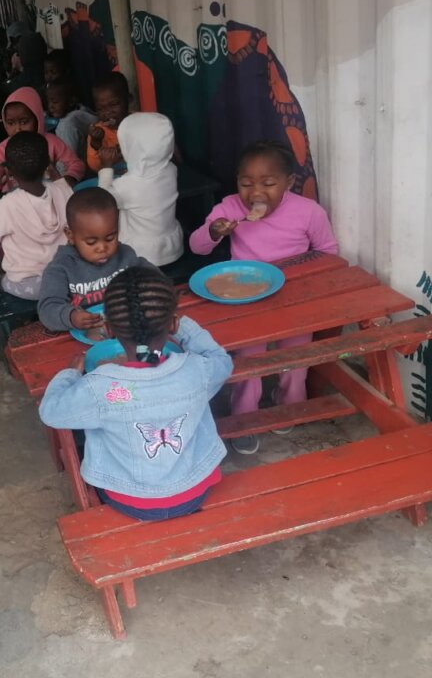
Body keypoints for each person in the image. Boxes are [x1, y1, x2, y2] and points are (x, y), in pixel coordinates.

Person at [39, 267, 232, 520]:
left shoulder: (99, 388)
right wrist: (183, 327)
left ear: (109, 330)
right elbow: (221, 360)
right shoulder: (197, 370)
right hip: (193, 492)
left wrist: (70, 374)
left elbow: (51, 411)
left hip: (131, 500)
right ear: (172, 324)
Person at [189, 141, 339, 455]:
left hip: (294, 299)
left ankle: (288, 404)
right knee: (248, 359)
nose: (255, 192)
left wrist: (307, 284)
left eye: (268, 183)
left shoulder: (308, 212)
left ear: (289, 182)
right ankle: (245, 417)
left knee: (295, 357)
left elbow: (328, 253)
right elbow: (197, 247)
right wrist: (213, 232)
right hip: (245, 299)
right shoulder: (230, 208)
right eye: (246, 184)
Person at [38, 188, 156, 333]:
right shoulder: (61, 268)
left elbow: (154, 278)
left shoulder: (125, 256)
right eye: (91, 242)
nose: (102, 248)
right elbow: (47, 308)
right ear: (70, 235)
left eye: (110, 238)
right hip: (85, 334)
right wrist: (71, 317)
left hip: (126, 328)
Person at [0, 132, 72, 300]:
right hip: (67, 278)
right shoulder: (62, 191)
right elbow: (63, 188)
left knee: (0, 279)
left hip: (32, 287)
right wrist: (54, 172)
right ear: (47, 163)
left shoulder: (8, 205)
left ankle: (0, 282)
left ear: (8, 170)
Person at [99, 113, 184, 267]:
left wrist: (106, 167)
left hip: (139, 254)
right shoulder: (171, 170)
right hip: (171, 248)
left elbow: (102, 201)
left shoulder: (127, 185)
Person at [0, 86, 86, 196]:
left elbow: (77, 164)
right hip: (19, 202)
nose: (17, 129)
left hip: (50, 197)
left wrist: (68, 179)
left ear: (37, 119)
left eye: (24, 122)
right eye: (11, 123)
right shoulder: (3, 150)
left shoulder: (52, 142)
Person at [86, 71, 131, 174]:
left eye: (114, 104)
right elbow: (94, 166)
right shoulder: (97, 133)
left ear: (128, 99)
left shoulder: (139, 123)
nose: (107, 112)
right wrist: (96, 144)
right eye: (100, 109)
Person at [45, 80, 96, 160]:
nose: (50, 106)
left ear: (71, 101)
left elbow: (67, 160)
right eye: (49, 102)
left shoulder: (68, 124)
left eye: (55, 102)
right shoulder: (80, 109)